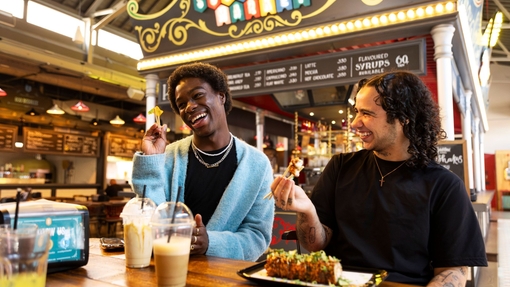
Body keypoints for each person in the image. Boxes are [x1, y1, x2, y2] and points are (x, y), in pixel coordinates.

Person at [271, 71, 487, 286]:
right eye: (356, 112)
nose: (355, 123)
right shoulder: (340, 167)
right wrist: (306, 210)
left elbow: (453, 270)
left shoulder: (444, 186)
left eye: (367, 113)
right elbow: (315, 245)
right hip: (337, 281)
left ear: (403, 117)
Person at [131, 62, 275, 261]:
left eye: (198, 95)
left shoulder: (257, 165)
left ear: (221, 96)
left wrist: (211, 243)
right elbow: (146, 216)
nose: (189, 106)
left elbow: (258, 236)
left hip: (225, 279)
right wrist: (151, 160)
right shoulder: (168, 157)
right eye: (181, 104)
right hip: (168, 270)